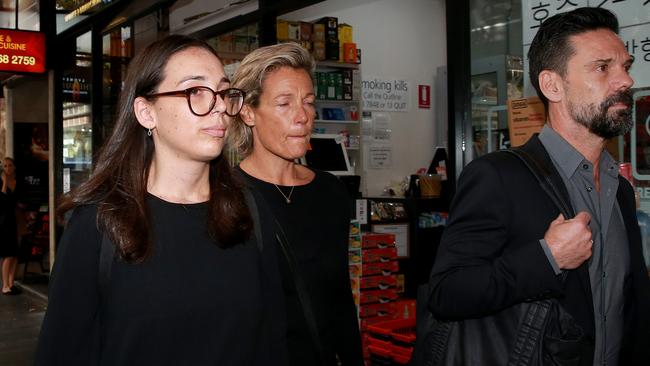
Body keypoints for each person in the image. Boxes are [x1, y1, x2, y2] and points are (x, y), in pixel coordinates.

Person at [35, 35, 287, 365]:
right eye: (195, 91)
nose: (220, 107)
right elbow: (61, 352)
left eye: (224, 92)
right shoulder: (98, 224)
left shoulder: (249, 211)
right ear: (146, 112)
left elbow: (273, 341)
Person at [428, 7, 650, 366]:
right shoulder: (499, 177)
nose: (624, 80)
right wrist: (547, 258)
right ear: (551, 85)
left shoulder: (619, 188)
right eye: (602, 67)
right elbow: (447, 292)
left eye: (625, 66)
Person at [230, 42, 363, 365]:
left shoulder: (330, 192)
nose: (303, 116)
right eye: (284, 103)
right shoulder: (223, 196)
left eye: (308, 102)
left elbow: (340, 297)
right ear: (248, 112)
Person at [0, 157, 22, 295]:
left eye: (10, 165)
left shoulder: (17, 182)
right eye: (5, 166)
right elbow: (1, 201)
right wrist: (3, 182)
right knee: (7, 254)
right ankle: (5, 286)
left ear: (14, 167)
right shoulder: (0, 182)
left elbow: (18, 200)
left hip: (15, 220)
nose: (8, 168)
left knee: (14, 255)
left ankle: (11, 283)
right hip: (3, 222)